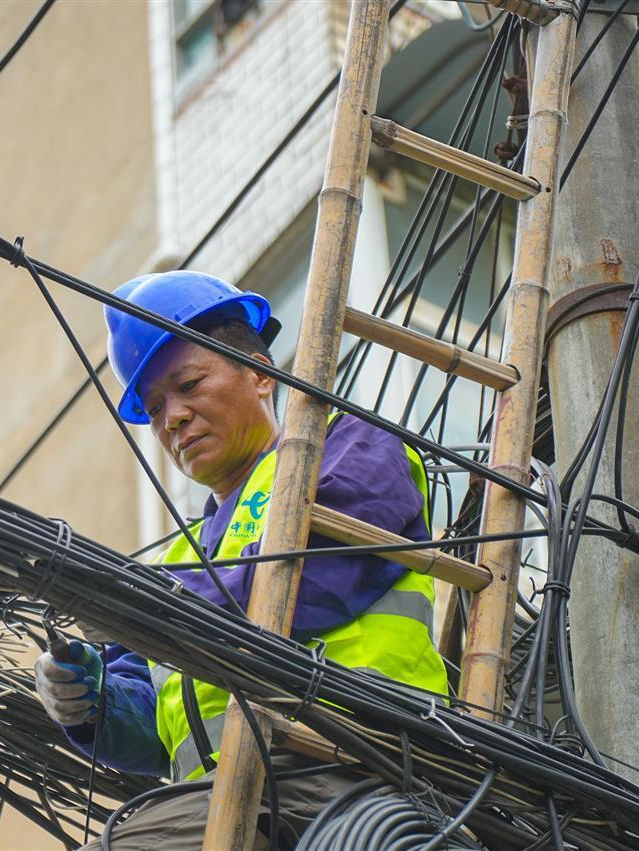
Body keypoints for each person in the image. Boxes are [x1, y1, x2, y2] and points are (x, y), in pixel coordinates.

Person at [34, 271, 449, 849]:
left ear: (259, 375)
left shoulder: (350, 448)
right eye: (154, 408)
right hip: (217, 800)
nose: (171, 418)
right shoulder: (177, 560)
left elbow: (302, 582)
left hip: (351, 765)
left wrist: (138, 609)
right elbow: (154, 729)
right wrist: (90, 700)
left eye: (190, 384)